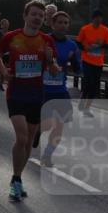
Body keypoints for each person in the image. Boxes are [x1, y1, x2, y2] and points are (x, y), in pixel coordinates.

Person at [0, 0, 58, 202]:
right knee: (21, 138)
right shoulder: (12, 37)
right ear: (25, 16)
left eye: (41, 15)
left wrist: (50, 60)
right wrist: (4, 72)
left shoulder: (46, 41)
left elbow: (54, 71)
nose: (37, 18)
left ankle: (18, 178)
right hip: (16, 94)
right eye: (34, 14)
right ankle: (15, 179)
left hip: (36, 95)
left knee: (29, 140)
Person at [34, 10, 82, 166]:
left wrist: (73, 60)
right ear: (52, 24)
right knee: (48, 124)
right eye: (60, 22)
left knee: (59, 126)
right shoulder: (43, 40)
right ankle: (37, 130)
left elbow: (78, 68)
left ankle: (47, 156)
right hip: (43, 89)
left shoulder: (71, 45)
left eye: (66, 23)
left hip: (60, 91)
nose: (63, 25)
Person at [76, 9, 108, 116]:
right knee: (89, 83)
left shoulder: (105, 30)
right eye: (97, 17)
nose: (99, 19)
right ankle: (82, 100)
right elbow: (78, 42)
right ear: (93, 19)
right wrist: (85, 48)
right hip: (87, 61)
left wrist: (100, 45)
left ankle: (87, 108)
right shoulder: (85, 29)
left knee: (94, 87)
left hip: (98, 62)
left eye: (100, 17)